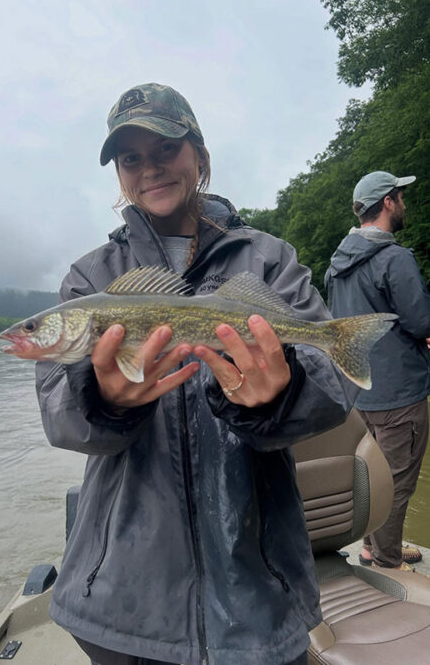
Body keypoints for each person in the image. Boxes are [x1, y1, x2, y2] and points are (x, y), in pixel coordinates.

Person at [36, 82, 358, 665]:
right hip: (123, 601)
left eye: (166, 149)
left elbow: (332, 391)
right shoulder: (91, 279)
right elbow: (61, 419)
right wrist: (105, 400)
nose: (149, 169)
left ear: (199, 155)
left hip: (259, 592)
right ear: (118, 174)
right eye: (131, 158)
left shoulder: (268, 259)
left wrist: (277, 397)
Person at [325, 171, 430, 571]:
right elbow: (420, 321)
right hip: (401, 393)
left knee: (370, 476)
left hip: (358, 393)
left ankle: (371, 545)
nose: (404, 202)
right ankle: (388, 559)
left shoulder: (336, 266)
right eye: (400, 196)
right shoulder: (394, 258)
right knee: (397, 481)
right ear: (388, 202)